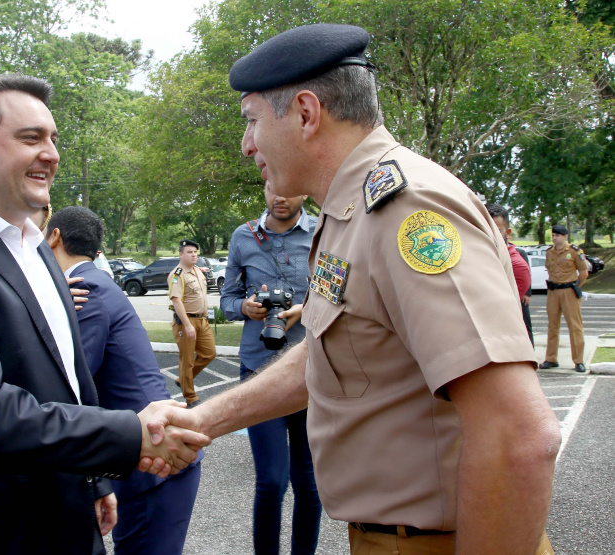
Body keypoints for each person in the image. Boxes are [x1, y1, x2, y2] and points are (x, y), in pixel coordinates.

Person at [142, 24, 560, 554]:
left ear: (306, 113)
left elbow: (518, 437)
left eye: (251, 123)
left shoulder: (408, 211)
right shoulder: (349, 211)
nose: (247, 146)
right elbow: (329, 350)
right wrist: (204, 417)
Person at [0, 74, 208, 555]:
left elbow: (68, 382)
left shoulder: (36, 249)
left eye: (53, 139)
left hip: (67, 510)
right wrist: (131, 434)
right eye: (31, 138)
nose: (50, 153)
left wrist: (93, 482)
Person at [46, 206, 202, 555]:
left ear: (54, 237)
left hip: (155, 460)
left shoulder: (83, 288)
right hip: (150, 454)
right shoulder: (95, 282)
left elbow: (69, 384)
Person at [221, 186, 322, 554]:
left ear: (304, 195)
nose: (279, 197)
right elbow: (227, 299)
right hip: (258, 369)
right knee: (271, 482)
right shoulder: (243, 235)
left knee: (309, 484)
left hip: (311, 373)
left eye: (289, 191)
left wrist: (304, 310)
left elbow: (339, 293)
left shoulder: (321, 231)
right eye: (272, 190)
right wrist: (244, 308)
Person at [168, 239, 216, 407]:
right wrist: (187, 325)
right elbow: (176, 301)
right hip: (186, 321)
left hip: (202, 320)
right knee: (186, 361)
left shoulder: (198, 271)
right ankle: (190, 397)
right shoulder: (177, 275)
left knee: (210, 353)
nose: (194, 255)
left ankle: (183, 379)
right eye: (189, 252)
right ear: (181, 254)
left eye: (195, 252)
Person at [540, 224, 589, 373]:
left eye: (557, 235)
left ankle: (578, 361)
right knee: (552, 326)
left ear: (565, 236)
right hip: (553, 291)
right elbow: (549, 269)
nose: (554, 238)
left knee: (574, 327)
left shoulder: (575, 251)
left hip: (569, 290)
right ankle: (551, 358)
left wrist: (575, 286)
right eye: (553, 235)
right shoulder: (549, 252)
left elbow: (583, 272)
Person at [486, 203, 533, 344]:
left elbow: (504, 309)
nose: (490, 235)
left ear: (508, 232)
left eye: (497, 230)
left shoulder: (517, 264)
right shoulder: (483, 257)